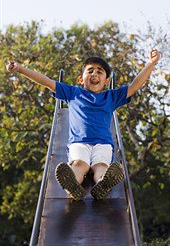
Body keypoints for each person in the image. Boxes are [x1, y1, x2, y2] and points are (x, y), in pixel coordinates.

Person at [6, 50, 160, 201]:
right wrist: (20, 69)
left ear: (107, 81)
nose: (94, 74)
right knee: (79, 164)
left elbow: (134, 86)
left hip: (103, 143)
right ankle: (72, 185)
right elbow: (46, 82)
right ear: (81, 79)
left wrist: (151, 64)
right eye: (90, 71)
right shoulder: (73, 93)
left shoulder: (111, 97)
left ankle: (103, 185)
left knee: (101, 167)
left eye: (100, 72)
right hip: (79, 142)